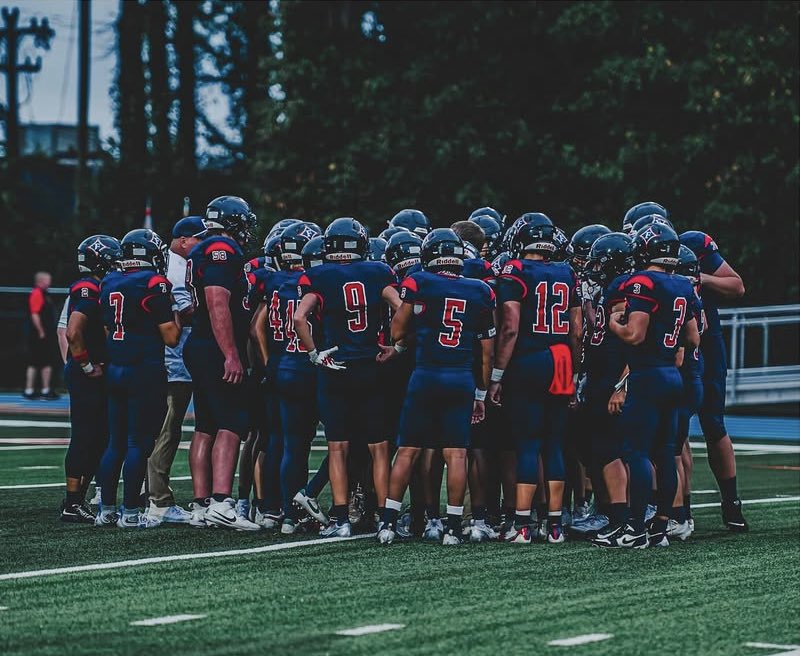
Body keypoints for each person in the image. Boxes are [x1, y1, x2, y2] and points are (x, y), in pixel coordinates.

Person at [377, 229, 495, 546]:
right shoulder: (480, 290)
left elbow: (397, 330)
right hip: (461, 378)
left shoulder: (420, 282)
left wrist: (421, 319)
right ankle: (454, 528)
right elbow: (486, 352)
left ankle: (387, 523)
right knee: (457, 453)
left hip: (426, 375)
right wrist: (481, 394)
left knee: (408, 450)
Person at [592, 222, 699, 549]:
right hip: (672, 375)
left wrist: (614, 325)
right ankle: (660, 527)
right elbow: (694, 338)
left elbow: (635, 334)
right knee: (666, 454)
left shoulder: (643, 281)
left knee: (636, 452)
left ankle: (635, 528)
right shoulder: (683, 284)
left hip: (647, 374)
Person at [293, 217, 401, 538]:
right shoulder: (378, 272)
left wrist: (314, 353)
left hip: (334, 368)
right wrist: (397, 345)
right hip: (370, 366)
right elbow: (400, 306)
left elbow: (300, 317)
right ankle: (386, 519)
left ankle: (340, 520)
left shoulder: (317, 275)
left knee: (337, 447)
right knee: (378, 449)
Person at [489, 213, 582, 545]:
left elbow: (510, 326)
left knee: (527, 443)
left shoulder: (515, 270)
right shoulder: (565, 272)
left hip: (529, 359)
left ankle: (523, 525)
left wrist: (497, 375)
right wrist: (573, 371)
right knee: (554, 443)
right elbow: (576, 330)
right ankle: (555, 525)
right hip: (560, 360)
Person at [184, 196, 261, 530]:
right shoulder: (221, 249)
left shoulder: (205, 247)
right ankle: (220, 502)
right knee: (231, 422)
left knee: (206, 426)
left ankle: (202, 505)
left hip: (202, 344)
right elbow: (217, 304)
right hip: (214, 347)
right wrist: (231, 353)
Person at [94, 229, 180, 527]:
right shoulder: (154, 283)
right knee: (137, 443)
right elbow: (171, 336)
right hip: (143, 369)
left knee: (114, 442)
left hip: (115, 367)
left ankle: (105, 510)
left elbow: (106, 330)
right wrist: (180, 314)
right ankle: (130, 512)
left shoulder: (109, 281)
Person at [680, 229, 747, 531]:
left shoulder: (691, 246)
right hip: (668, 350)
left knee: (713, 423)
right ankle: (679, 510)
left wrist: (701, 278)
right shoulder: (633, 258)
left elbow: (736, 286)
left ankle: (731, 504)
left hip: (706, 346)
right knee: (672, 431)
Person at [144, 216, 206, 526]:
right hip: (174, 359)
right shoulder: (178, 268)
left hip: (158, 359)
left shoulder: (166, 265)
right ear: (182, 240)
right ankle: (158, 500)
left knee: (152, 430)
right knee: (167, 431)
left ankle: (138, 495)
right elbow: (184, 311)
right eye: (199, 238)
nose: (203, 244)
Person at [61, 235, 122, 523]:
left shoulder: (97, 286)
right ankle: (72, 503)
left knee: (98, 436)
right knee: (85, 436)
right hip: (86, 374)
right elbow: (73, 332)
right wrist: (86, 366)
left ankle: (76, 499)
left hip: (93, 372)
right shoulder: (87, 288)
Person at [24, 271, 58, 399]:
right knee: (35, 362)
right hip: (39, 335)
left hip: (44, 333)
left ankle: (45, 389)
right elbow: (34, 314)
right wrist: (41, 331)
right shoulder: (37, 294)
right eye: (47, 280)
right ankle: (30, 390)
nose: (49, 282)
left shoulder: (45, 294)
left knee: (45, 362)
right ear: (40, 281)